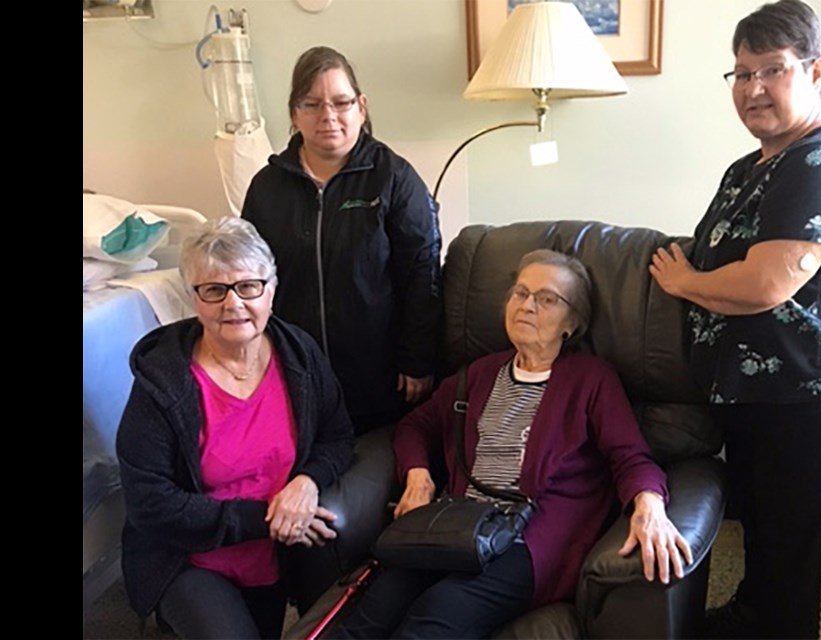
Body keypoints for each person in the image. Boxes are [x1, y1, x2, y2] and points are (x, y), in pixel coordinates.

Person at [648, 2, 821, 637]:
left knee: (787, 537)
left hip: (811, 393)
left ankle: (773, 626)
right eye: (740, 74)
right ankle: (753, 612)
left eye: (771, 70)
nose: (752, 89)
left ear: (815, 70)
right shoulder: (756, 164)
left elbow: (768, 282)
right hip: (761, 392)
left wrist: (686, 284)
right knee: (764, 527)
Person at [330, 250, 692, 639]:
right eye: (519, 293)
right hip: (454, 527)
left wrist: (649, 505)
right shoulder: (477, 374)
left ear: (573, 322)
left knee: (436, 616)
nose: (527, 305)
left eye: (547, 298)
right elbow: (416, 425)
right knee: (373, 609)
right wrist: (418, 477)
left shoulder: (591, 380)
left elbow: (630, 456)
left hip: (528, 539)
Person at [116, 218, 355, 639]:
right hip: (189, 557)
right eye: (214, 290)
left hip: (272, 554)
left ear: (272, 291)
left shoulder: (299, 355)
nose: (234, 304)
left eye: (248, 286)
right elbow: (149, 503)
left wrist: (307, 481)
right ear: (194, 298)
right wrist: (265, 519)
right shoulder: (163, 380)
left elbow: (337, 436)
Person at [242, 46, 442, 434]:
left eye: (341, 102)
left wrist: (418, 361)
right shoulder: (266, 188)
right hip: (293, 382)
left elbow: (423, 275)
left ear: (361, 107)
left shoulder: (394, 179)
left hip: (380, 384)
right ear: (294, 113)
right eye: (312, 104)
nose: (328, 116)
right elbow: (249, 281)